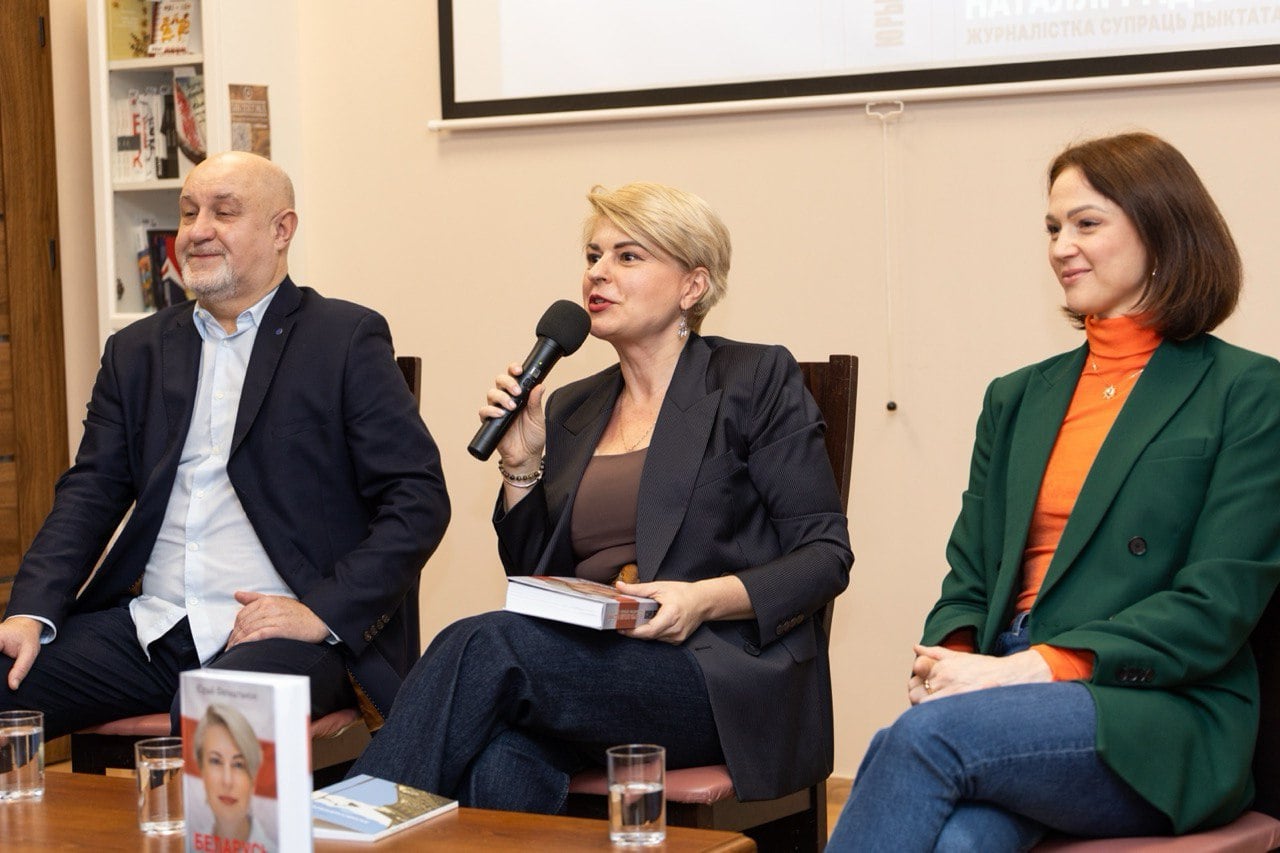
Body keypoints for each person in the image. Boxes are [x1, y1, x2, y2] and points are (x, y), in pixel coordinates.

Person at [827, 131, 1280, 851]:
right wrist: (953, 659)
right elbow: (970, 577)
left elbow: (1215, 604)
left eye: (1086, 223)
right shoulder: (1016, 397)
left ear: (1162, 231)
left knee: (922, 739)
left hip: (1154, 709)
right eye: (1052, 227)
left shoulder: (1249, 390)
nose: (1062, 246)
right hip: (1004, 685)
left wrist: (1030, 669)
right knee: (961, 842)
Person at [350, 181, 852, 812]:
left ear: (692, 287)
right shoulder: (573, 404)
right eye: (593, 255)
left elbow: (825, 557)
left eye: (628, 256)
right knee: (501, 759)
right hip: (590, 668)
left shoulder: (753, 379)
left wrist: (701, 599)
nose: (598, 273)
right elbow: (535, 579)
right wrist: (521, 466)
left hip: (717, 673)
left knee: (485, 644)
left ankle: (354, 824)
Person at [0, 151, 450, 736]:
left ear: (281, 230)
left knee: (217, 715)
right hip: (154, 628)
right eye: (189, 213)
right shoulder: (136, 351)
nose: (198, 230)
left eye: (224, 212)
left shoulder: (343, 339)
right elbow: (90, 492)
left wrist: (320, 613)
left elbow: (417, 500)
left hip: (286, 634)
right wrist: (30, 611)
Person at [194, 703, 271, 850]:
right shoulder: (191, 845)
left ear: (253, 777)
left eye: (238, 765)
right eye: (216, 761)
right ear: (201, 769)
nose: (227, 781)